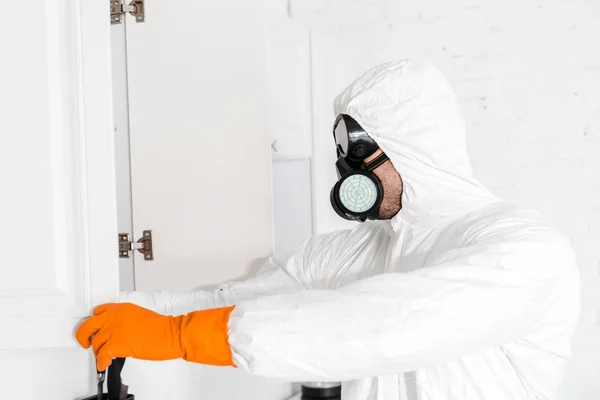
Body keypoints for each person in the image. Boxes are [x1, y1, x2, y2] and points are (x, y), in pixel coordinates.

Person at [76, 59, 581, 400]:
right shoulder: (350, 253)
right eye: (343, 155)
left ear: (415, 153)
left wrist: (179, 337)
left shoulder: (526, 253)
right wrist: (129, 311)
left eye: (360, 156)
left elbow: (389, 323)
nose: (347, 173)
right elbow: (236, 300)